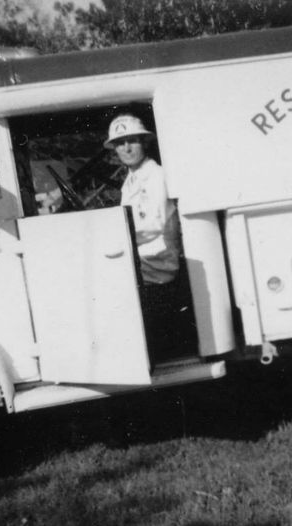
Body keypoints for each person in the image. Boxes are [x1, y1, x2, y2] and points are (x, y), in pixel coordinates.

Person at [105, 113, 184, 358]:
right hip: (143, 269)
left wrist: (114, 234)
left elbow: (152, 223)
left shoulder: (156, 176)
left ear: (144, 142)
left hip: (157, 273)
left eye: (132, 141)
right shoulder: (131, 181)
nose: (126, 148)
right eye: (120, 143)